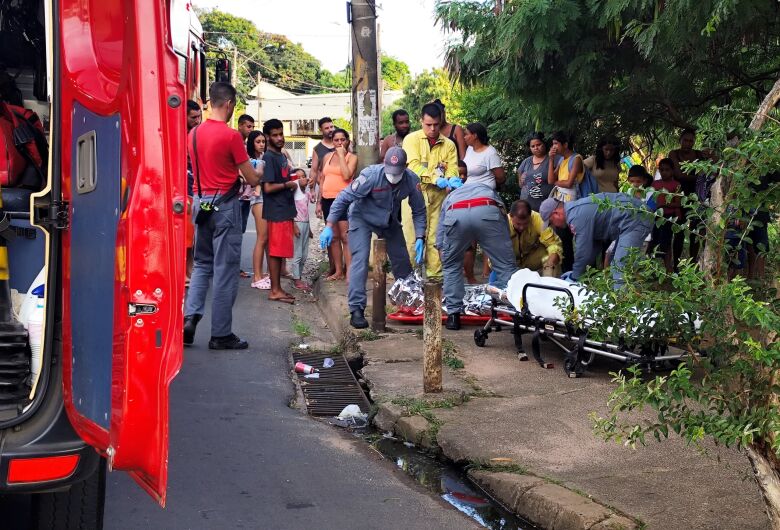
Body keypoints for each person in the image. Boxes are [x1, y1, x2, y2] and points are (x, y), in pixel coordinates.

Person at [183, 82, 262, 349]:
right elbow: (250, 177)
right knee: (225, 270)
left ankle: (190, 317)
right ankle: (220, 334)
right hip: (225, 206)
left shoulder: (192, 135)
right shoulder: (231, 137)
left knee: (202, 265)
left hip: (200, 204)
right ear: (228, 104)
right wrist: (259, 172)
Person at [320, 147, 426, 329]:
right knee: (359, 260)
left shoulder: (411, 180)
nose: (393, 177)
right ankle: (356, 310)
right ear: (384, 164)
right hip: (362, 218)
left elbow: (419, 210)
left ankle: (408, 302)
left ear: (405, 167)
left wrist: (420, 236)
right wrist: (329, 226)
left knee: (402, 262)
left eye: (397, 172)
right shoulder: (370, 176)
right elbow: (343, 198)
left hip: (388, 220)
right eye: (390, 172)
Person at [436, 183, 517, 330]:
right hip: (487, 211)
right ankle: (514, 313)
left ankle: (453, 316)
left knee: (452, 265)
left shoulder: (450, 196)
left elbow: (441, 226)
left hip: (456, 214)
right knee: (505, 266)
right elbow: (503, 218)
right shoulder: (489, 191)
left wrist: (442, 249)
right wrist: (503, 249)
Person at [540, 193, 652, 285]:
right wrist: (575, 272)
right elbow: (594, 247)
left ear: (556, 213)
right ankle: (620, 298)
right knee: (615, 263)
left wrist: (574, 277)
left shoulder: (576, 217)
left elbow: (584, 253)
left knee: (620, 268)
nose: (554, 226)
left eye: (551, 222)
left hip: (636, 218)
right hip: (631, 218)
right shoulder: (575, 211)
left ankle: (620, 308)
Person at [401, 102, 459, 279]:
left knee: (436, 240)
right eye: (428, 125)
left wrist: (451, 178)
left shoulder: (448, 144)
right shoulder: (411, 140)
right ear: (421, 121)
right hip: (415, 195)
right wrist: (435, 178)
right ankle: (410, 280)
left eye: (436, 125)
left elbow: (452, 168)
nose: (432, 129)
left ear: (441, 122)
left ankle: (435, 281)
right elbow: (412, 165)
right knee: (412, 239)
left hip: (438, 198)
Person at [262, 118, 305, 304]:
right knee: (275, 252)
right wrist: (291, 183)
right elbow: (268, 188)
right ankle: (275, 290)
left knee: (280, 252)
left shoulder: (281, 156)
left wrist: (295, 179)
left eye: (281, 134)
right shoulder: (269, 157)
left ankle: (278, 288)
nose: (279, 138)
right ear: (267, 137)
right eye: (275, 135)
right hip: (276, 210)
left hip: (286, 209)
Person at [461, 122, 505, 283]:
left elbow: (500, 176)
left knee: (487, 238)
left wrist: (487, 186)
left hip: (484, 199)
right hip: (467, 199)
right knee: (469, 240)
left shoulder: (490, 153)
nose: (464, 137)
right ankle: (471, 277)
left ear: (475, 135)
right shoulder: (469, 150)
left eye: (466, 134)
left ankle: (487, 274)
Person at [316, 128, 357, 280]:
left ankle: (349, 272)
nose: (339, 143)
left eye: (342, 140)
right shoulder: (327, 156)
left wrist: (341, 155)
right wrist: (319, 202)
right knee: (333, 238)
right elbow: (322, 179)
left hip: (344, 200)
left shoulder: (351, 157)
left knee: (345, 237)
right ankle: (338, 270)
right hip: (327, 199)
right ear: (332, 142)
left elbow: (347, 175)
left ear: (348, 141)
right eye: (336, 140)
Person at [668, 128, 709, 263]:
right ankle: (676, 265)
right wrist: (698, 176)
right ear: (680, 140)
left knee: (695, 231)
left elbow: (713, 166)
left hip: (697, 197)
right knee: (678, 231)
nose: (688, 143)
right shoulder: (674, 154)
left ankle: (693, 263)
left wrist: (709, 154)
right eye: (685, 140)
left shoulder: (699, 154)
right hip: (679, 196)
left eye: (691, 141)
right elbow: (679, 175)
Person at [547, 131, 583, 273]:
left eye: (556, 143)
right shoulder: (561, 160)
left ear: (565, 144)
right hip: (561, 202)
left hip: (572, 202)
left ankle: (579, 271)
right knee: (563, 238)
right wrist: (551, 159)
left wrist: (557, 182)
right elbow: (550, 180)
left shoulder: (576, 159)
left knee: (574, 238)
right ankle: (568, 270)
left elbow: (569, 183)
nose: (553, 146)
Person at [507, 199, 562, 275]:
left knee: (554, 259)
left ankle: (549, 284)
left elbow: (553, 244)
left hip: (533, 257)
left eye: (525, 223)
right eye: (518, 224)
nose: (522, 227)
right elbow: (495, 252)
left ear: (530, 216)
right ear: (511, 216)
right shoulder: (503, 224)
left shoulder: (538, 219)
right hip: (511, 263)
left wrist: (550, 263)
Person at [246, 130, 270, 289]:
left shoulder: (265, 158)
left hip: (267, 199)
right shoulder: (250, 161)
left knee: (267, 238)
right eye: (258, 142)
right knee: (262, 238)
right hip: (257, 199)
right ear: (252, 144)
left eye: (263, 141)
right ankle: (256, 277)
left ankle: (264, 274)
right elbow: (257, 177)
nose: (261, 144)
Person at [649, 159, 682, 272]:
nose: (664, 172)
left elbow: (678, 203)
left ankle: (668, 267)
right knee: (654, 240)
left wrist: (665, 204)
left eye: (667, 170)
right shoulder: (655, 184)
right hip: (656, 217)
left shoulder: (676, 185)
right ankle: (653, 267)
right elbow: (650, 199)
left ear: (673, 171)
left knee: (667, 242)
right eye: (662, 170)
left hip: (669, 217)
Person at [236, 114, 257, 278]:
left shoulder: (245, 145)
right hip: (236, 195)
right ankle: (232, 267)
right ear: (241, 125)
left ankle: (234, 266)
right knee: (235, 232)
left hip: (244, 196)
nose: (250, 129)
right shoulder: (236, 142)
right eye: (248, 126)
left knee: (239, 231)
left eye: (252, 127)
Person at [185, 100, 202, 285]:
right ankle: (185, 270)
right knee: (186, 236)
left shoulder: (194, 134)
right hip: (184, 190)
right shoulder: (179, 136)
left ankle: (189, 269)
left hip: (195, 188)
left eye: (199, 117)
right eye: (193, 117)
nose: (197, 120)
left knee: (192, 235)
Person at [518, 132, 556, 212]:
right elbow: (520, 183)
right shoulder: (526, 162)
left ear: (544, 144)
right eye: (533, 146)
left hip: (547, 209)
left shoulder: (553, 160)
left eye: (538, 145)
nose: (536, 148)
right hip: (526, 209)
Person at [289, 168, 312, 292]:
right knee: (298, 253)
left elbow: (307, 211)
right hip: (298, 223)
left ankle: (299, 276)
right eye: (299, 177)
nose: (303, 179)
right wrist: (294, 226)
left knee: (304, 254)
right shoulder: (295, 191)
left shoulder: (306, 192)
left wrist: (310, 229)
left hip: (306, 224)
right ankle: (296, 279)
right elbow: (290, 209)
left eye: (304, 176)